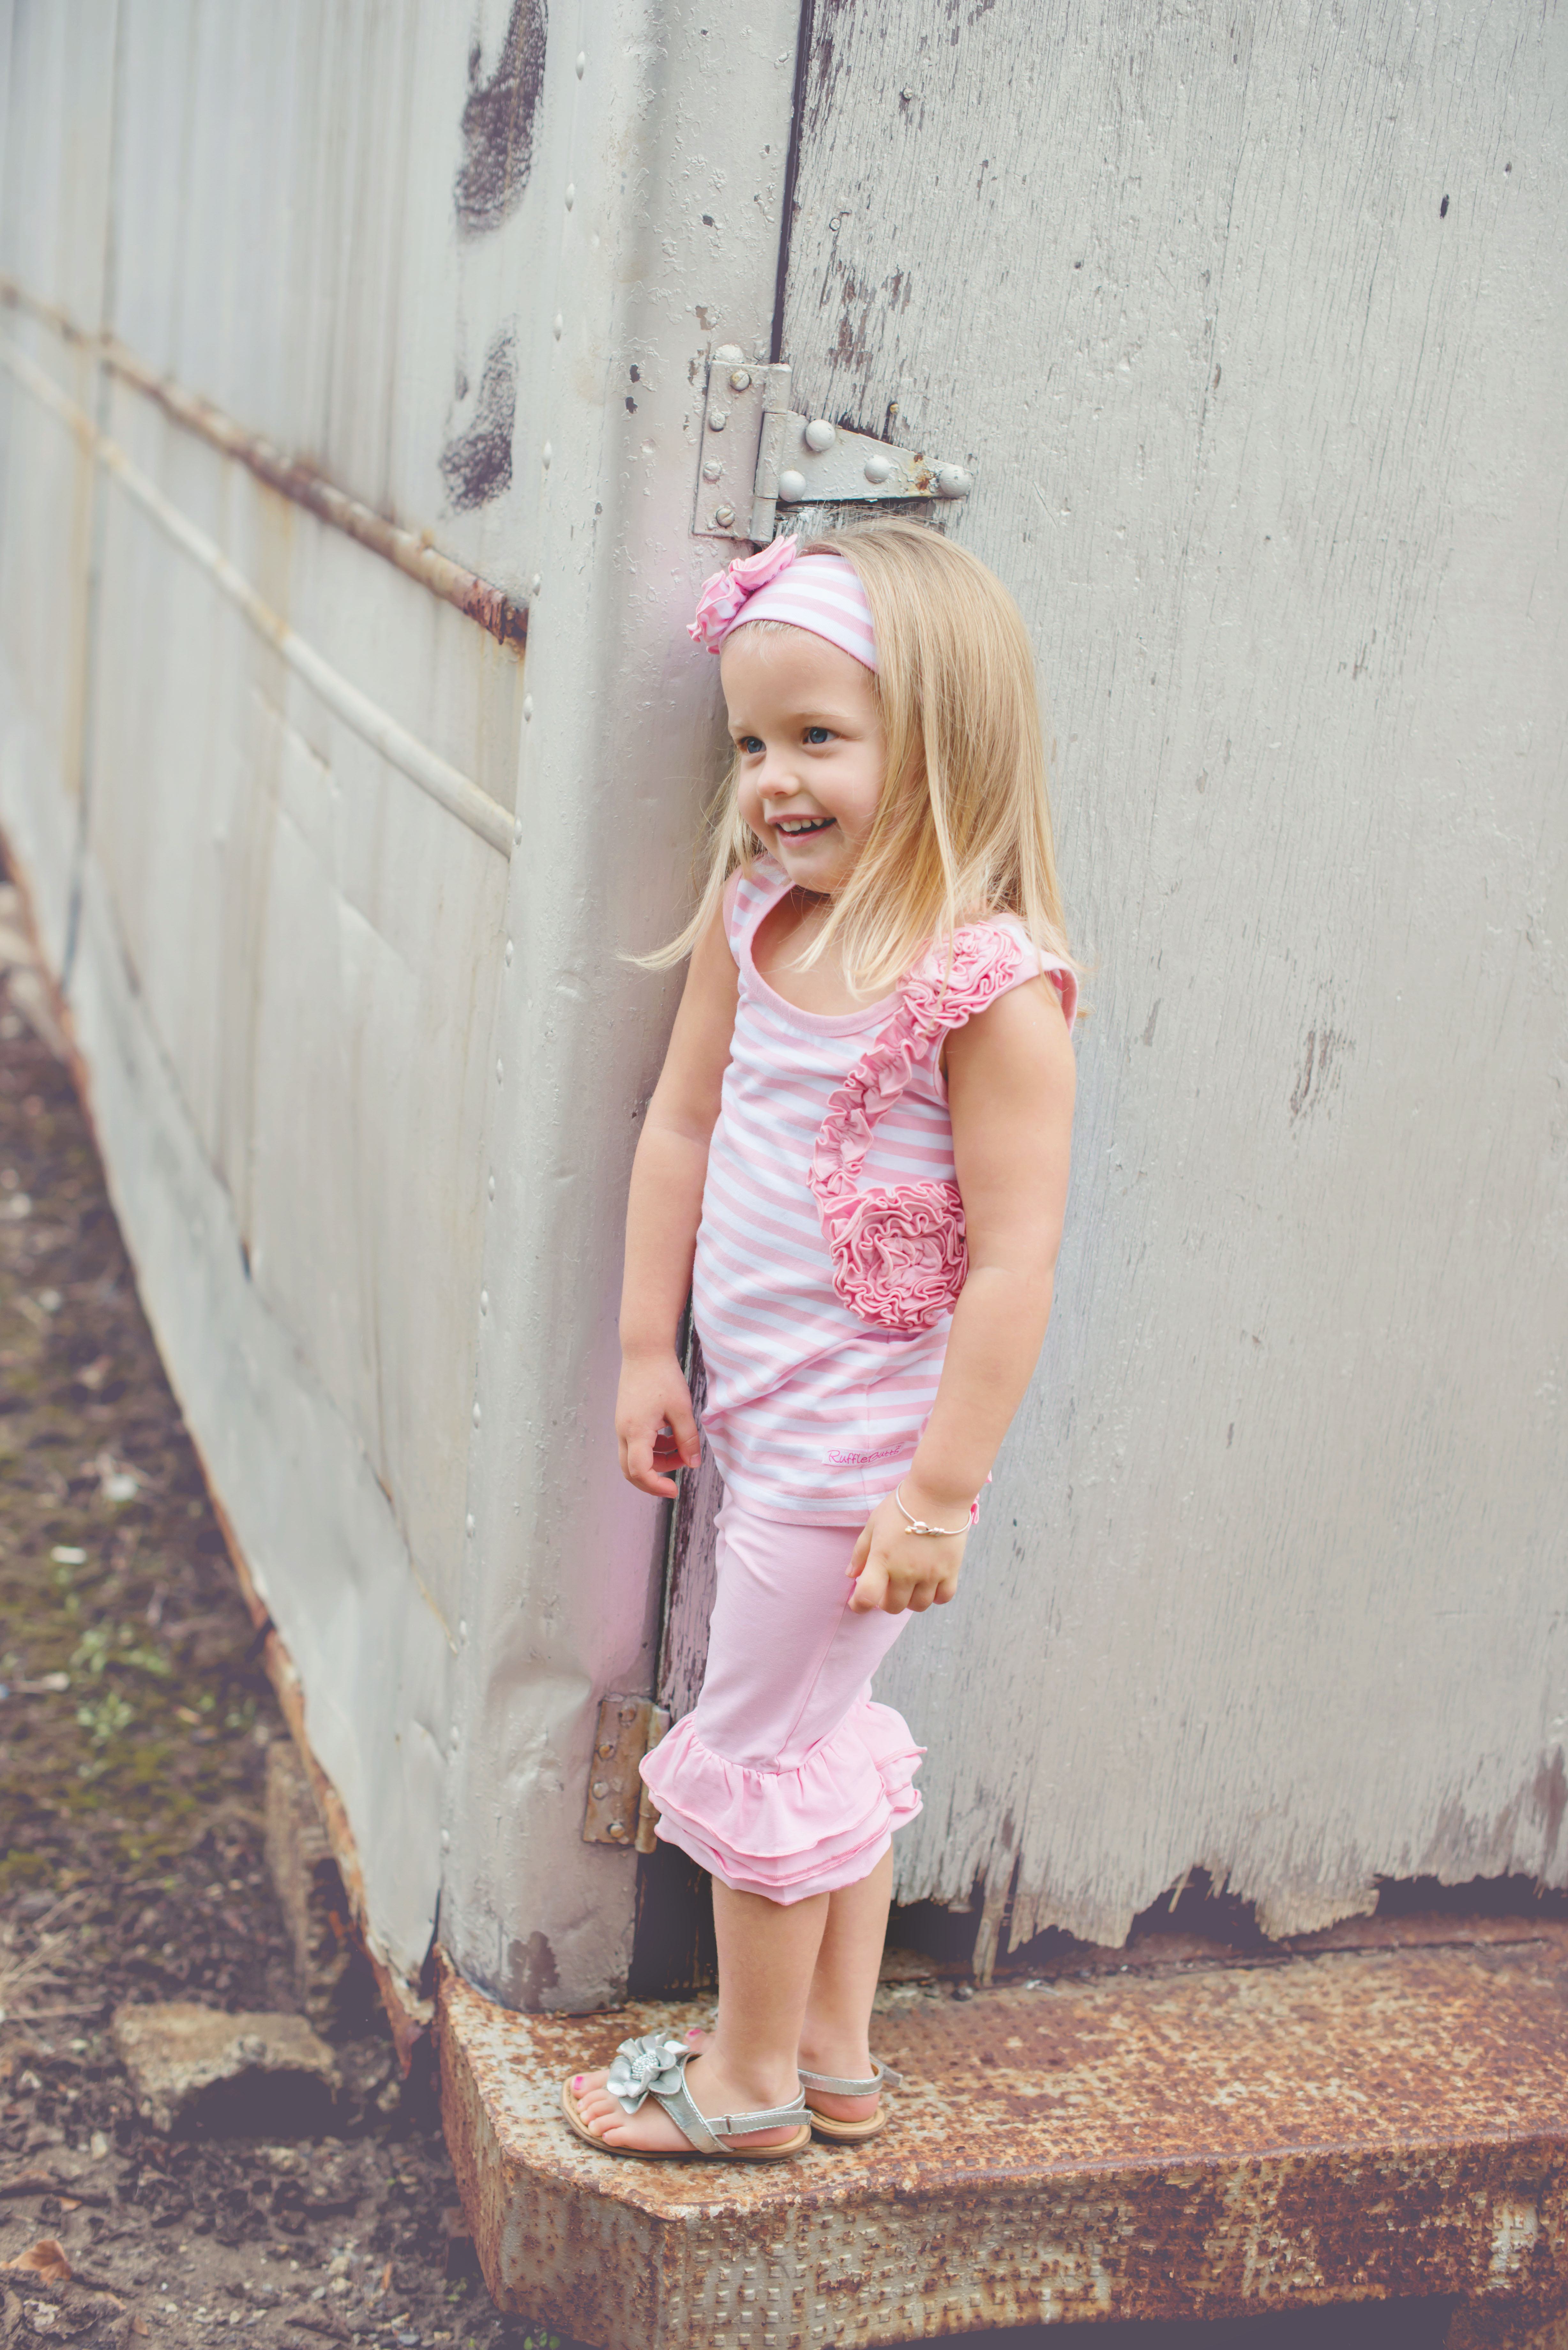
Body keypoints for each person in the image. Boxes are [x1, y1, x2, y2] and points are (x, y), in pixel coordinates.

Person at [562, 520, 1078, 2161]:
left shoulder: (985, 987)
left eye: (818, 737)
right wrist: (647, 1351)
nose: (774, 779)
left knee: (758, 1744)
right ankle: (835, 2057)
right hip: (765, 1417)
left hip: (866, 1461)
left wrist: (938, 1494)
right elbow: (680, 1127)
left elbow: (1016, 1264)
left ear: (939, 739)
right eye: (750, 743)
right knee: (819, 1734)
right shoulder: (760, 923)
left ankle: (746, 2084)